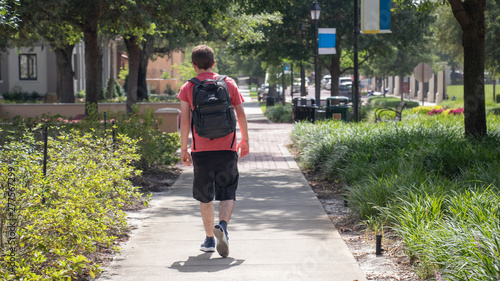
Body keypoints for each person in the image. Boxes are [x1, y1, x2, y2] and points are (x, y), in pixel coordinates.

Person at [177, 45, 250, 258]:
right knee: (227, 191)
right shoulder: (228, 83)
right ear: (214, 63)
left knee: (205, 196)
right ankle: (224, 227)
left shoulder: (188, 88)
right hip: (227, 148)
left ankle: (209, 239)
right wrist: (245, 140)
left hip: (201, 150)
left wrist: (184, 148)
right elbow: (241, 114)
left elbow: (184, 122)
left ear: (193, 65)